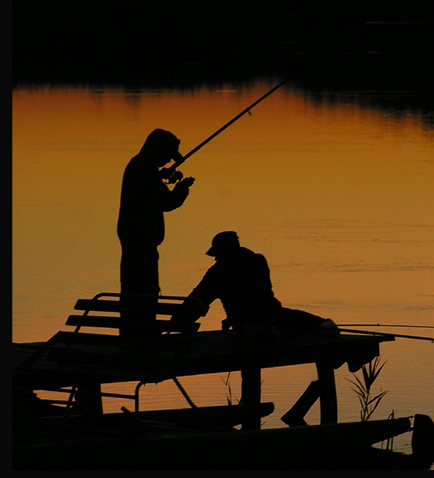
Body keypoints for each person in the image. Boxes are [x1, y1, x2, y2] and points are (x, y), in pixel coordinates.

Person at [177, 231, 338, 338]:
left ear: (222, 252)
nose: (215, 258)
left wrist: (176, 323)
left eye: (216, 254)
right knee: (312, 323)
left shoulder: (219, 271)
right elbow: (258, 296)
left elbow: (198, 300)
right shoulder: (257, 261)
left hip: (248, 325)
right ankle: (328, 332)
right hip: (272, 314)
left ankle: (324, 333)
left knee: (294, 324)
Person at [117, 128, 195, 336]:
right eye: (166, 156)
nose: (167, 161)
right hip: (141, 241)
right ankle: (140, 336)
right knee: (144, 290)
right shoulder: (145, 169)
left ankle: (135, 334)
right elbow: (166, 202)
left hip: (136, 240)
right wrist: (183, 188)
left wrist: (159, 177)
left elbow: (149, 192)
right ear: (157, 150)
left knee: (135, 289)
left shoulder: (140, 166)